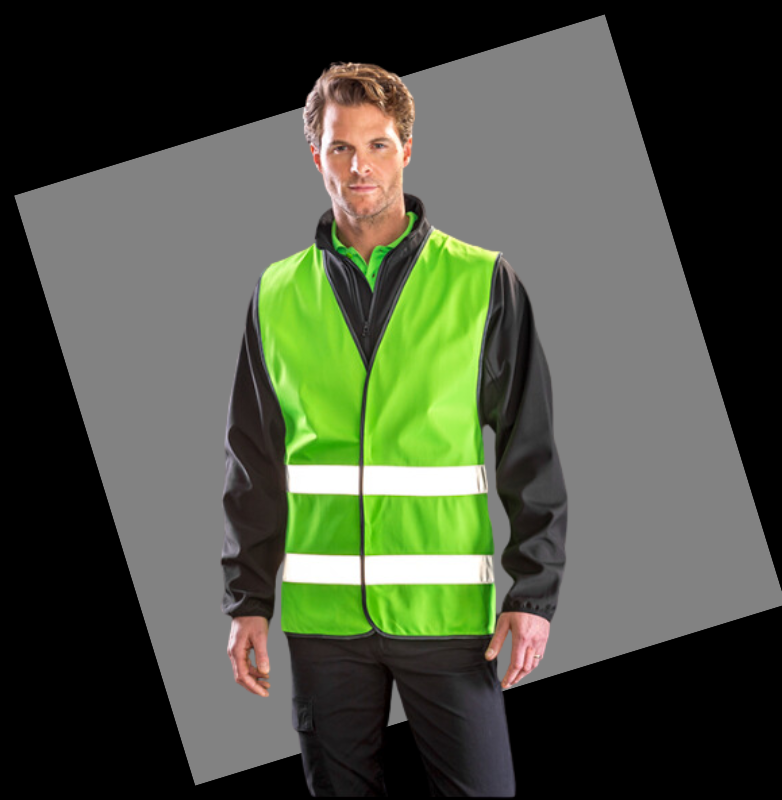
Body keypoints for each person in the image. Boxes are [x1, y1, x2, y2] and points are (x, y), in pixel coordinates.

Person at [221, 62, 568, 797]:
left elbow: (529, 446)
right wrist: (248, 599)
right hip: (324, 626)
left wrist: (533, 592)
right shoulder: (275, 294)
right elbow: (253, 460)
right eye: (341, 148)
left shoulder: (482, 282)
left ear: (407, 149)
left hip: (448, 620)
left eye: (378, 145)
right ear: (315, 155)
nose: (360, 167)